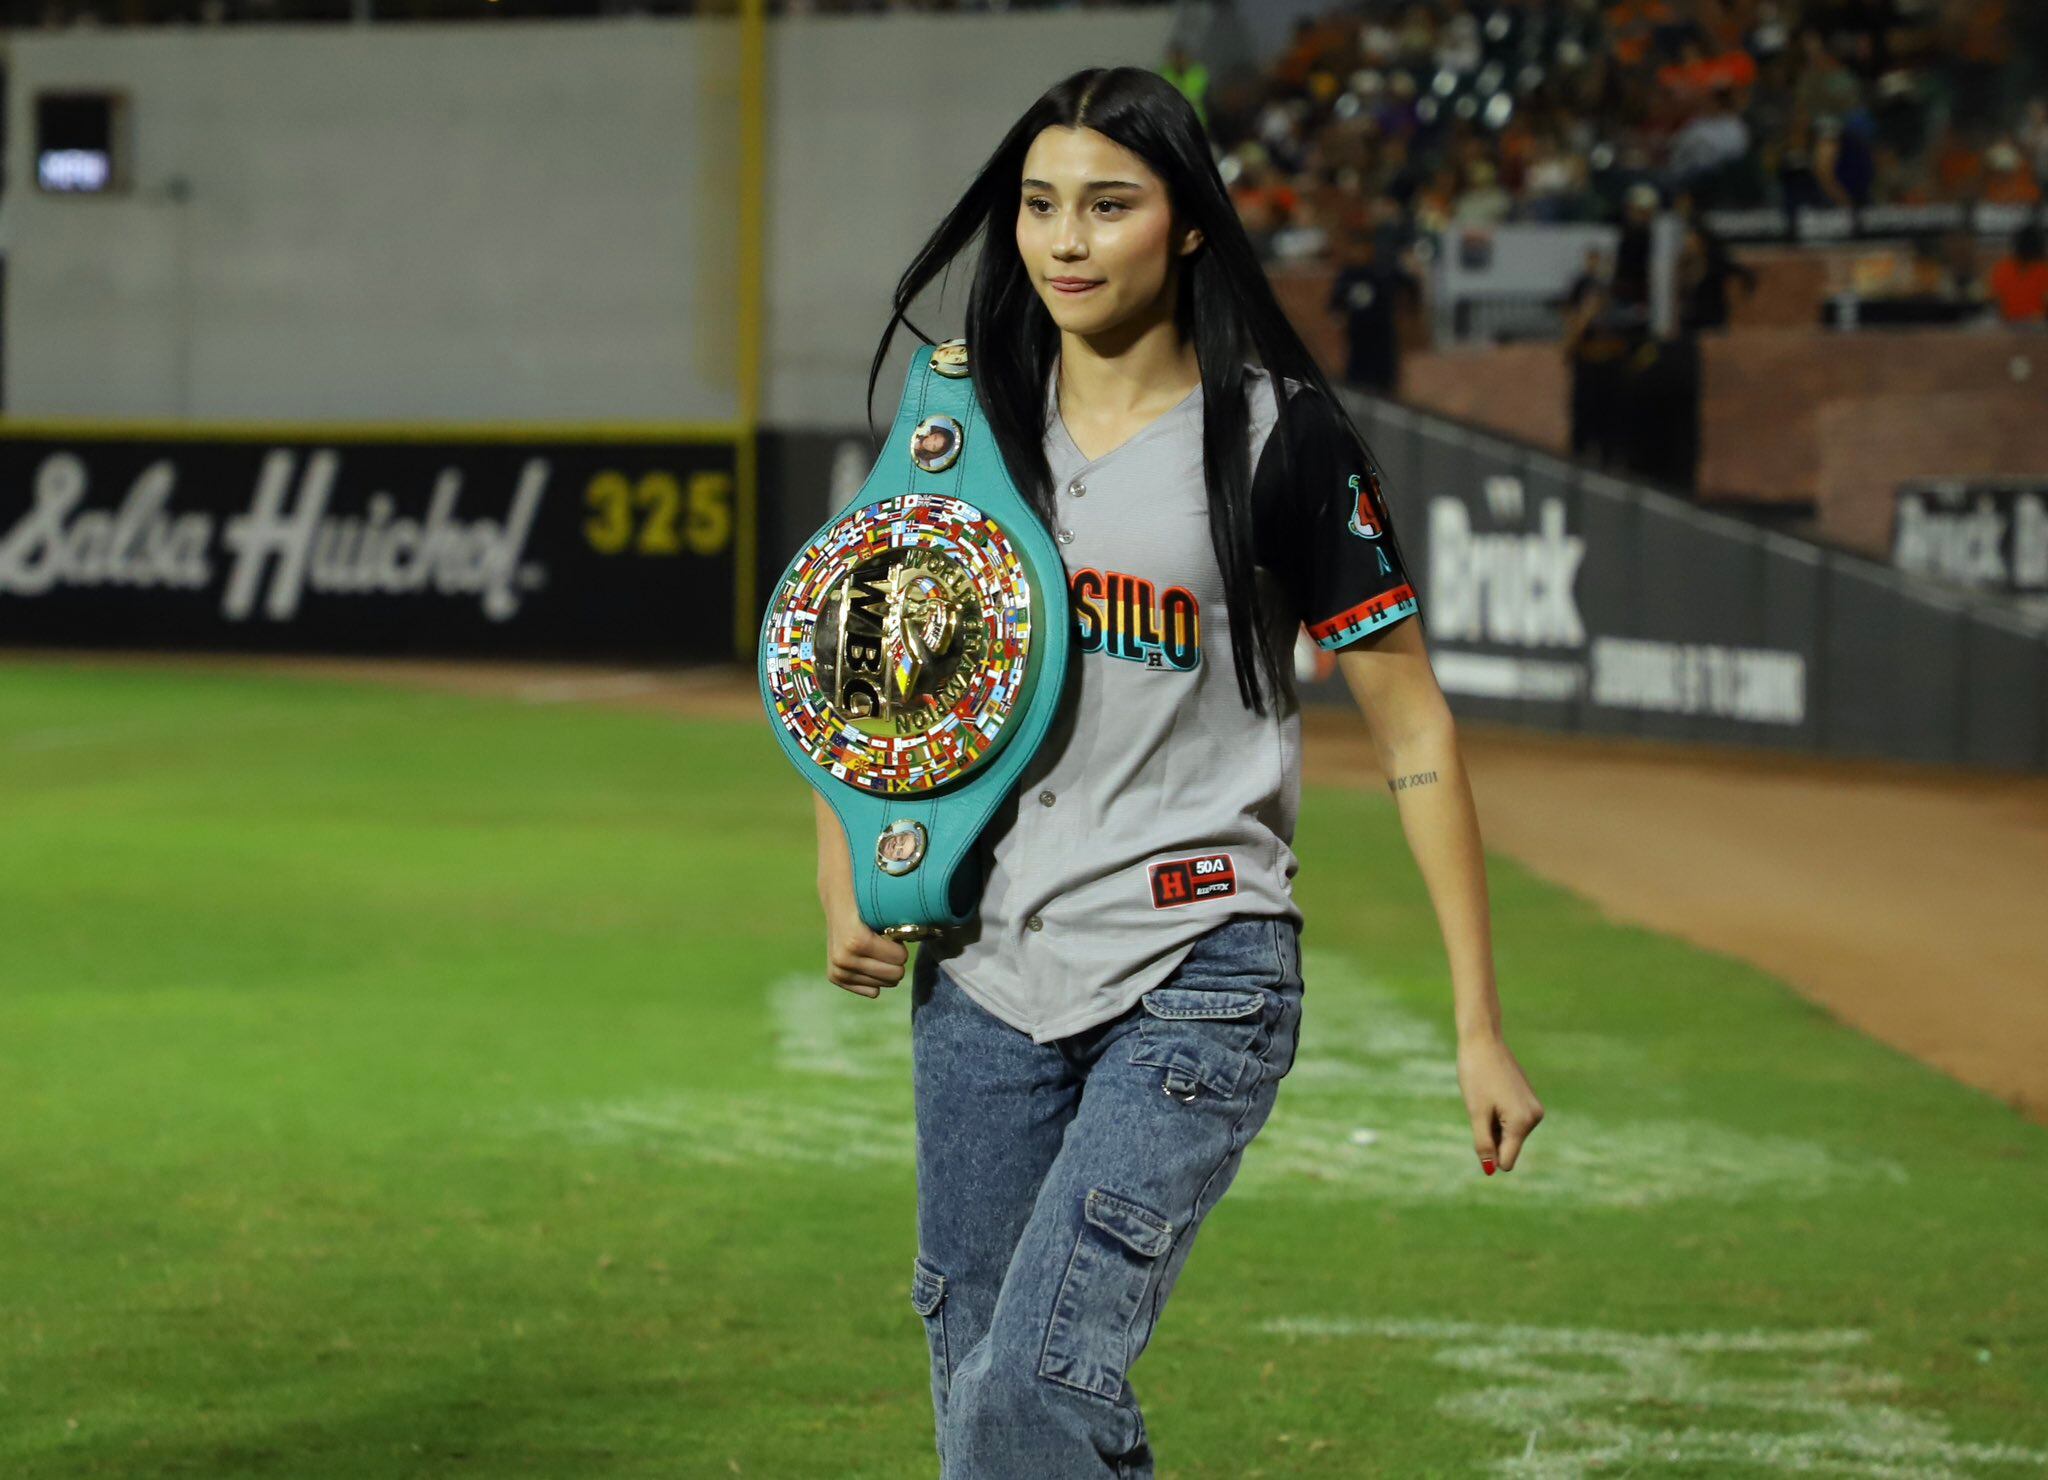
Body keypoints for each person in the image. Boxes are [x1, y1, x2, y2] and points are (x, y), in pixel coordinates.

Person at [817, 66, 1544, 1478]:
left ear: (1190, 225)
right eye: (1038, 207)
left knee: (1029, 1386)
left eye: (1108, 205)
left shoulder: (1281, 440)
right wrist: (845, 854)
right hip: (978, 978)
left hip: (1196, 966)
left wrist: (1477, 1026)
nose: (1066, 241)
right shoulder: (957, 430)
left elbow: (1415, 734)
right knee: (985, 1396)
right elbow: (858, 672)